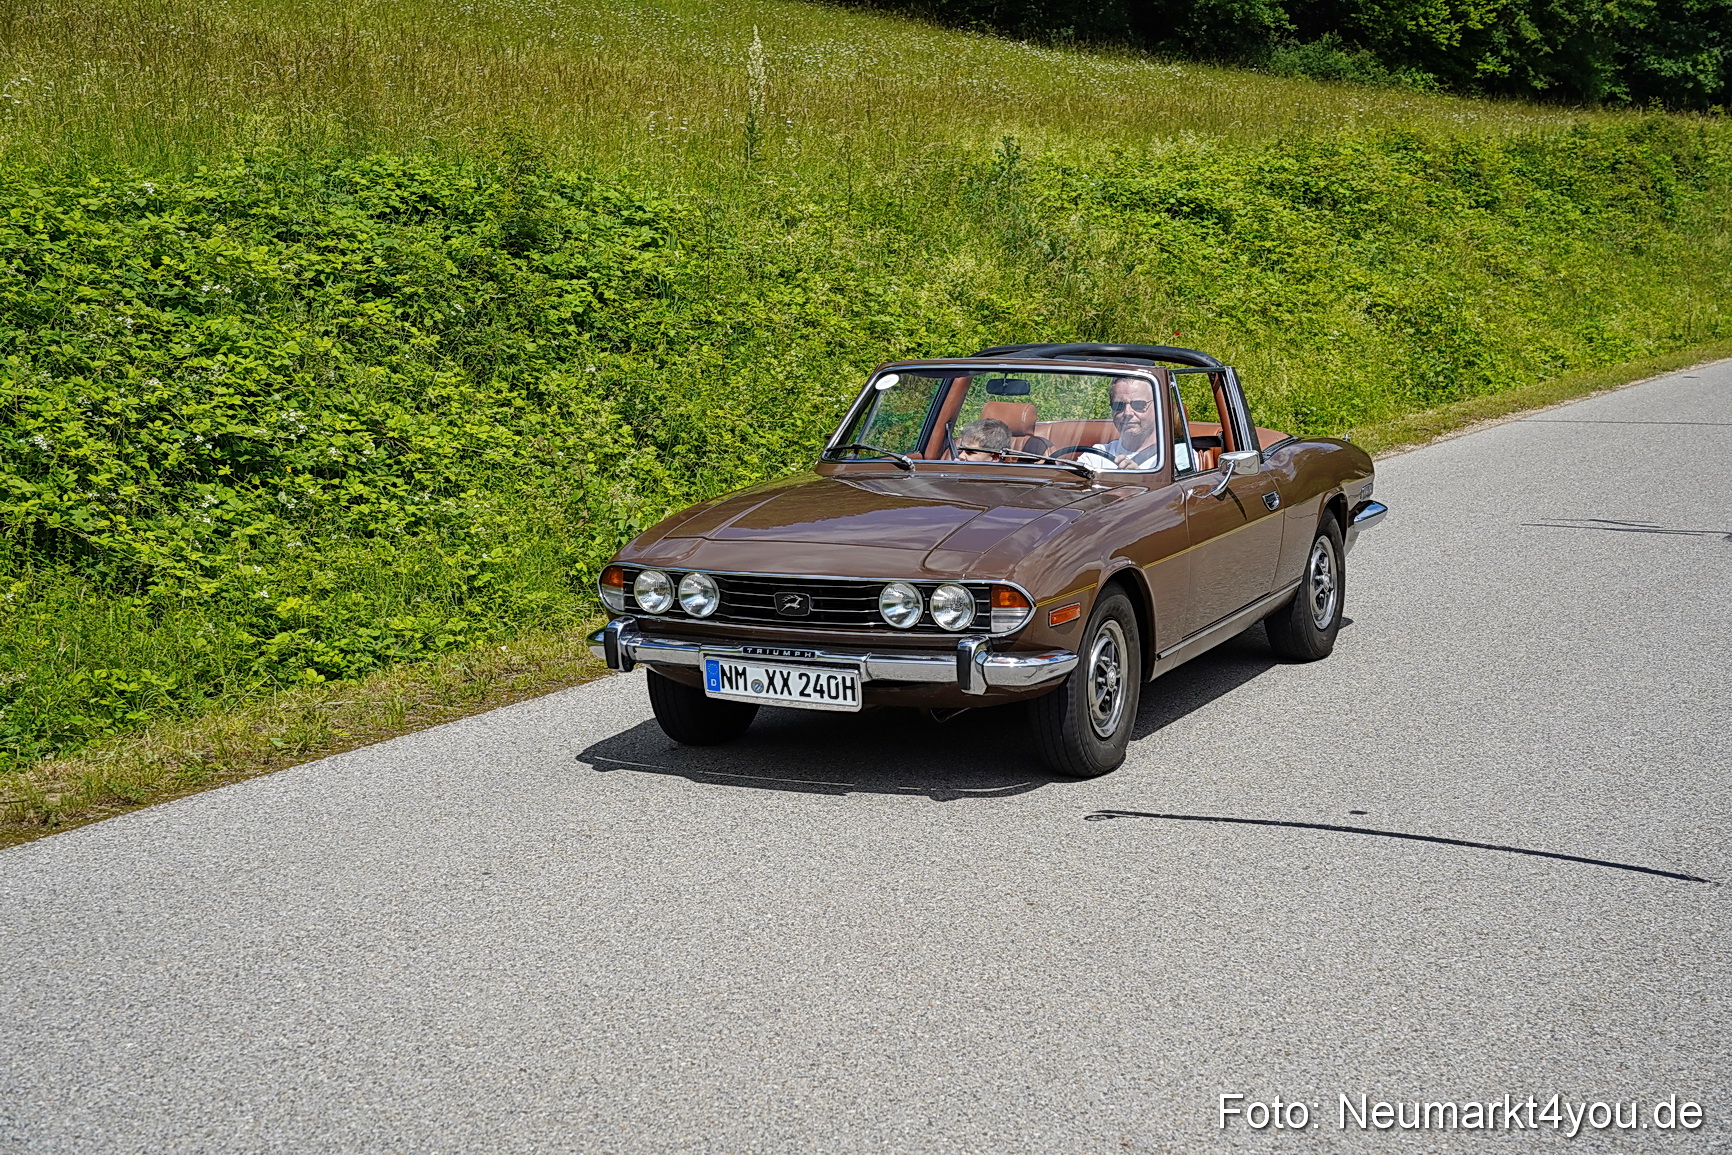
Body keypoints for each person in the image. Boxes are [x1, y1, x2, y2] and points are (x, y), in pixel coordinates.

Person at [1077, 376, 1185, 472]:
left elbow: (1176, 492)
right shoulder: (1097, 456)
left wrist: (1140, 481)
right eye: (1119, 405)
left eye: (1138, 404)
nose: (1127, 412)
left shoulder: (1177, 456)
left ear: (1158, 407)